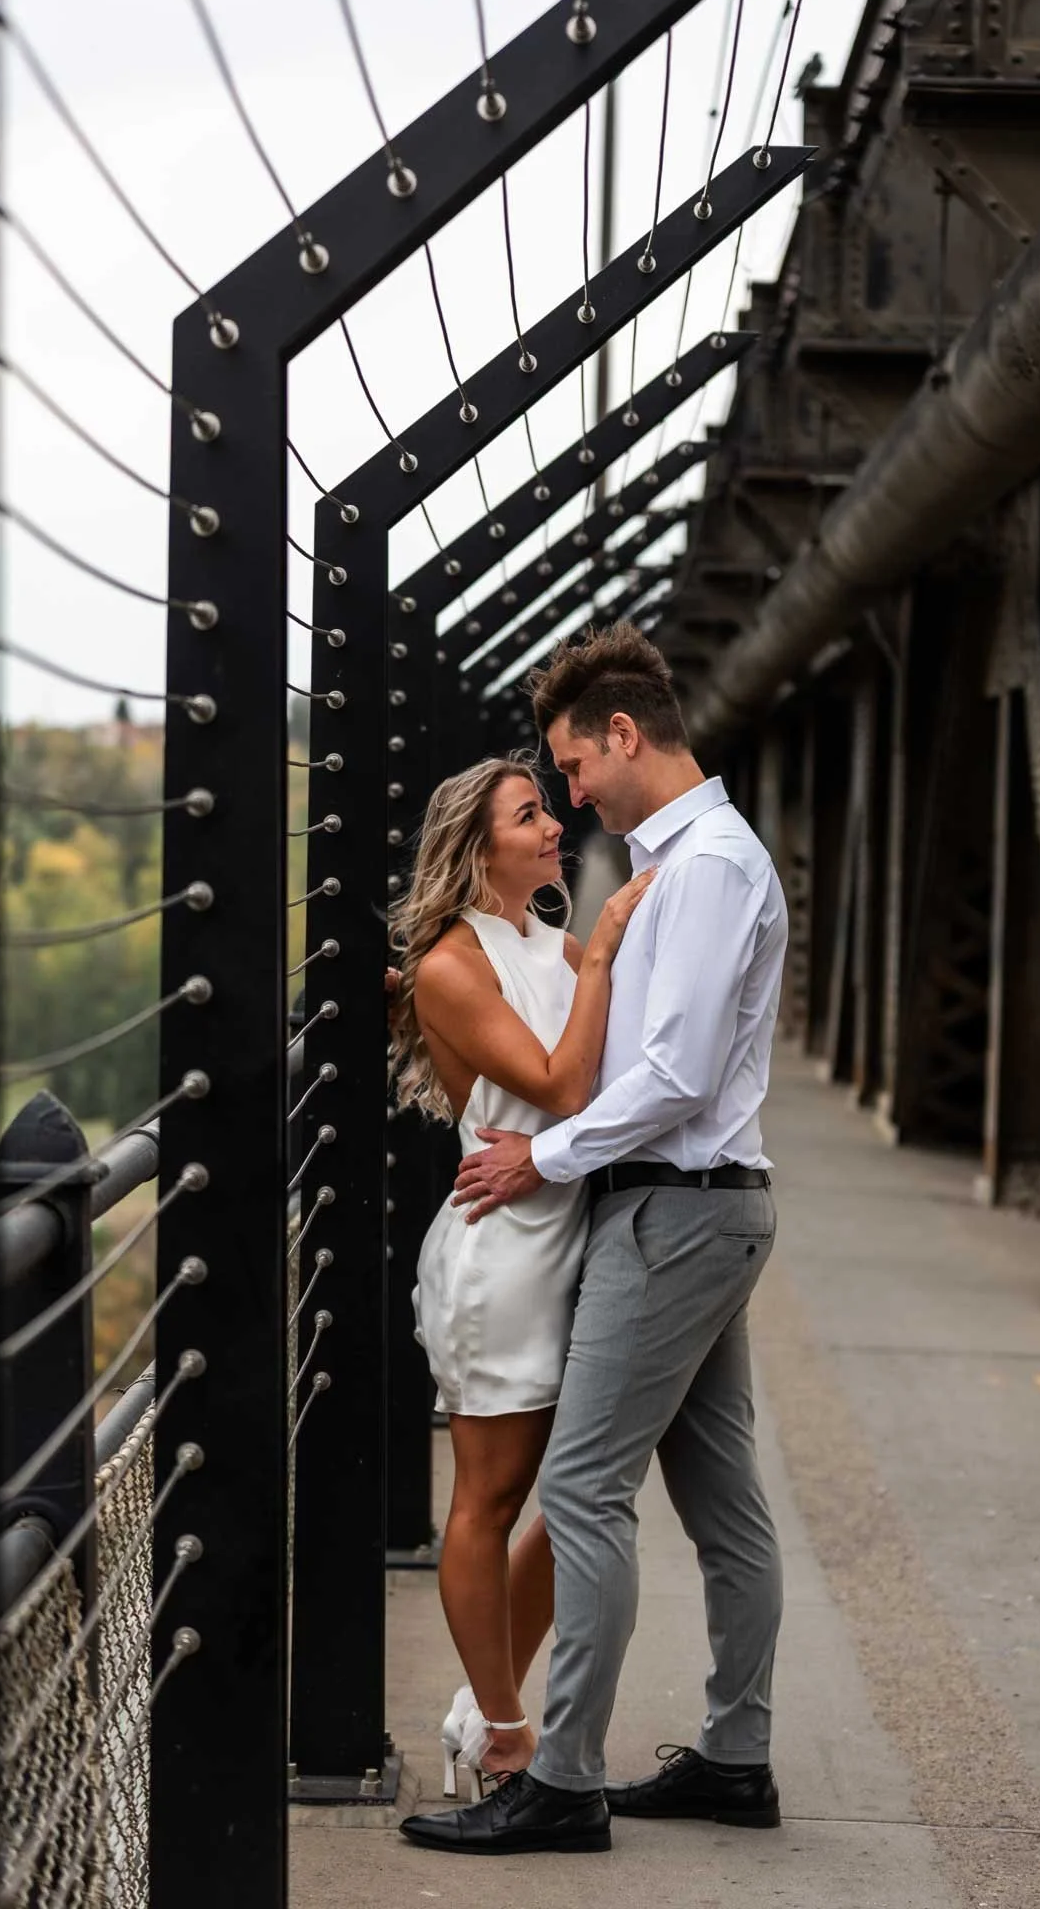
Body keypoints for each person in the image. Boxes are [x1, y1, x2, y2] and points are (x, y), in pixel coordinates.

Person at [400, 621, 787, 1856]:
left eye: (570, 771)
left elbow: (662, 1073)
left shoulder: (706, 868)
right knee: (720, 1501)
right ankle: (733, 1756)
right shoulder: (668, 868)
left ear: (622, 735)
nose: (570, 797)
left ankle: (559, 1779)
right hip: (672, 1209)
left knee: (576, 1488)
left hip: (672, 1209)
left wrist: (544, 1155)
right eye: (546, 794)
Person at [388, 755, 653, 1802]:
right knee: (488, 1500)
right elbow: (559, 1081)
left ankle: (477, 1698)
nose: (553, 827)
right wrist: (602, 964)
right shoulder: (456, 961)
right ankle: (503, 1730)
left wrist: (595, 960)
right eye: (528, 814)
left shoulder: (546, 940)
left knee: (581, 1489)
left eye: (546, 808)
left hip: (562, 1240)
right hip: (497, 1257)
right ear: (477, 845)